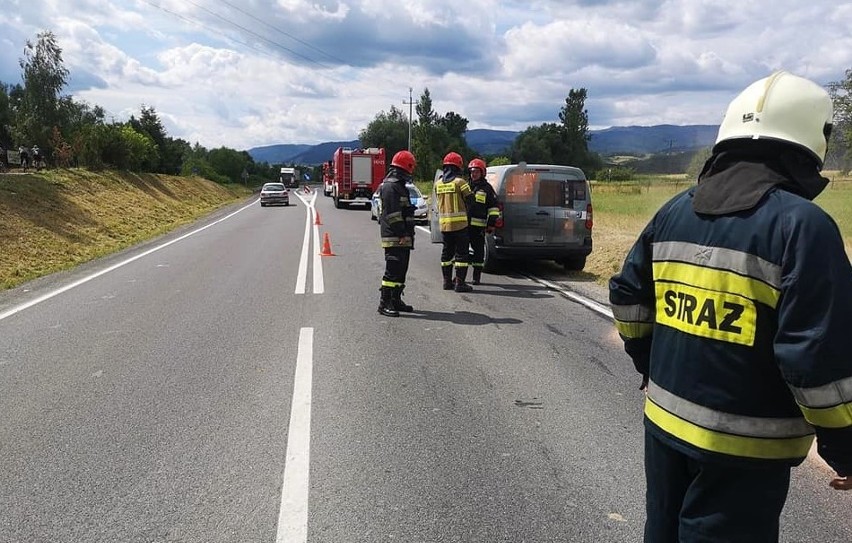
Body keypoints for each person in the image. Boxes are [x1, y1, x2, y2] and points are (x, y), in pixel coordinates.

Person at [609, 70, 852, 543]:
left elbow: (627, 298)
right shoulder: (803, 227)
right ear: (809, 142)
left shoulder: (675, 210)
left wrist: (649, 365)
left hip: (663, 427)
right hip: (747, 450)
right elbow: (818, 361)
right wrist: (846, 448)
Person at [377, 149, 417, 317]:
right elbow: (393, 214)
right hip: (395, 236)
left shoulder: (398, 185)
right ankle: (384, 302)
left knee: (402, 270)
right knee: (392, 270)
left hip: (403, 236)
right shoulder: (391, 186)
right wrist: (401, 233)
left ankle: (395, 299)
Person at [436, 151, 474, 292]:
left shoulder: (438, 183)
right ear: (458, 167)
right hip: (460, 225)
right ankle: (460, 283)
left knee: (446, 254)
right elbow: (471, 200)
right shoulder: (460, 182)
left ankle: (446, 282)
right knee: (461, 255)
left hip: (445, 226)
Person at [465, 158, 500, 284]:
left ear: (482, 173)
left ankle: (476, 277)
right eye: (472, 171)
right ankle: (460, 278)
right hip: (464, 226)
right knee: (461, 252)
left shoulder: (487, 189)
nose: (473, 174)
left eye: (476, 172)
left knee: (479, 253)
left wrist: (491, 224)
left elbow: (494, 208)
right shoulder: (466, 186)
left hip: (478, 227)